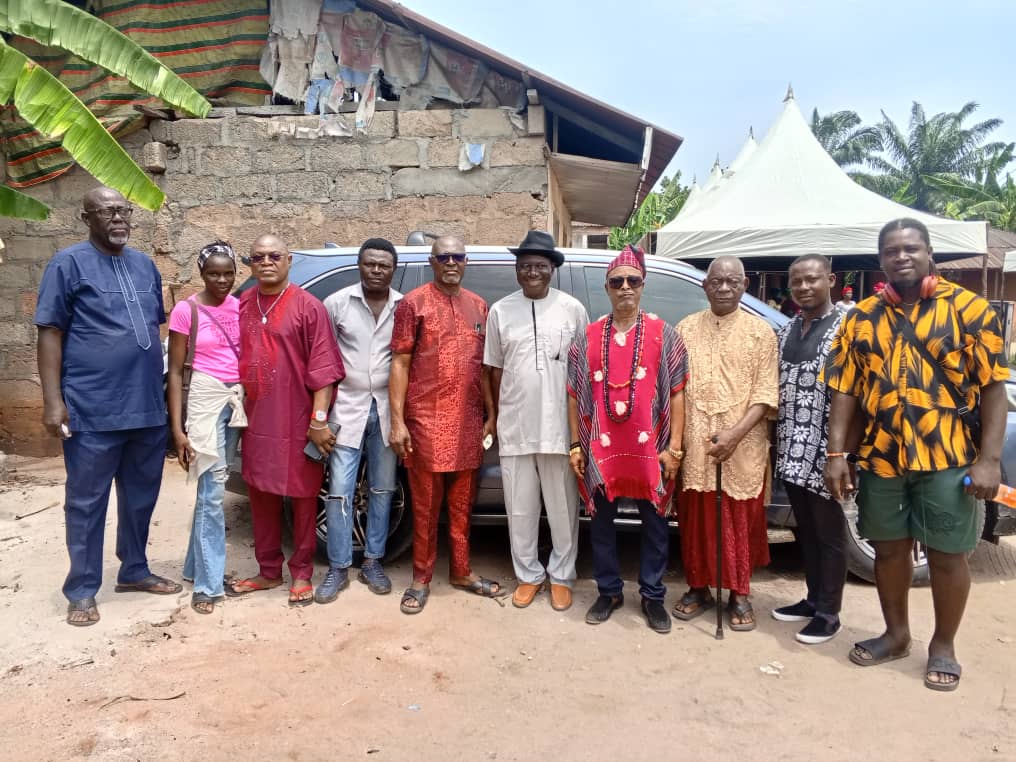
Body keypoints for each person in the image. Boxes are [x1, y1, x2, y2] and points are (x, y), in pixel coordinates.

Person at [824, 218, 1008, 692]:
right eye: (891, 250)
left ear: (930, 253)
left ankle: (943, 645)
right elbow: (844, 388)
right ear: (881, 259)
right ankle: (896, 635)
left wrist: (988, 459)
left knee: (948, 555)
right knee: (888, 552)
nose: (900, 256)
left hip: (947, 456)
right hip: (882, 457)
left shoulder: (970, 310)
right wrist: (837, 453)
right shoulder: (861, 317)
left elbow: (992, 388)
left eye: (910, 248)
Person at [35, 186, 181, 627]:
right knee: (86, 502)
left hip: (145, 407)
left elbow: (152, 330)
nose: (118, 219)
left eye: (123, 211)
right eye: (106, 212)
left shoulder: (143, 265)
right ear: (87, 219)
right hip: (92, 408)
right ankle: (81, 588)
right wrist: (52, 401)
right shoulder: (68, 264)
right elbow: (50, 332)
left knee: (140, 498)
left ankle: (133, 570)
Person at [566, 245, 687, 633]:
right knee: (601, 523)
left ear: (642, 285)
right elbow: (573, 393)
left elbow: (678, 393)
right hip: (602, 450)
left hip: (651, 450)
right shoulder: (587, 337)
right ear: (607, 288)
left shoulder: (664, 334)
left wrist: (675, 448)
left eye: (632, 281)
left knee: (655, 524)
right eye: (617, 282)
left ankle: (652, 596)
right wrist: (575, 445)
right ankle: (609, 591)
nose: (624, 288)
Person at [228, 234, 345, 606]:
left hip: (298, 420)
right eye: (257, 256)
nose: (266, 262)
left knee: (303, 497)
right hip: (256, 421)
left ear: (289, 260)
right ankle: (267, 571)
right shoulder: (241, 304)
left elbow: (324, 369)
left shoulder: (309, 307)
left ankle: (301, 572)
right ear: (249, 264)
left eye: (274, 255)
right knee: (260, 494)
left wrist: (319, 419)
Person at [390, 235, 503, 614]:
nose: (451, 262)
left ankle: (461, 571)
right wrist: (397, 421)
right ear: (432, 262)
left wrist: (492, 413)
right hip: (425, 421)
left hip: (469, 424)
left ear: (466, 262)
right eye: (444, 257)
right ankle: (421, 578)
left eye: (457, 257)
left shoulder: (478, 306)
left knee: (461, 507)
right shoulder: (413, 303)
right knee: (424, 507)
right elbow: (400, 364)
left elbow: (485, 368)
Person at [483, 230, 589, 611]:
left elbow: (583, 371)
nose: (532, 272)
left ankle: (562, 576)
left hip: (561, 429)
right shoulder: (500, 311)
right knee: (521, 509)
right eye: (525, 266)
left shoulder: (572, 310)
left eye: (540, 266)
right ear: (517, 270)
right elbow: (492, 370)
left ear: (552, 270)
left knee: (562, 510)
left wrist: (582, 431)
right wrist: (494, 418)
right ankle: (528, 575)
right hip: (515, 427)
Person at [673, 255, 778, 631]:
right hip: (697, 440)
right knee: (697, 516)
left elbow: (766, 394)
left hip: (744, 442)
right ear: (705, 285)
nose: (724, 288)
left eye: (732, 282)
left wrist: (735, 435)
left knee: (739, 518)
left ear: (744, 286)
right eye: (717, 281)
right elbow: (674, 390)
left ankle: (740, 593)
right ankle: (698, 587)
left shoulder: (760, 332)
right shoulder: (685, 329)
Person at [315, 238, 403, 603]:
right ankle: (337, 567)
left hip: (386, 408)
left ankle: (372, 560)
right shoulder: (336, 304)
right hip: (346, 407)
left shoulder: (404, 306)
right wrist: (319, 416)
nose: (377, 271)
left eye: (383, 265)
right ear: (359, 265)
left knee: (383, 489)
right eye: (370, 264)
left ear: (393, 269)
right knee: (340, 491)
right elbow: (321, 360)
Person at [167, 241, 246, 616]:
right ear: (201, 273)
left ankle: (193, 567)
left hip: (234, 403)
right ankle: (208, 585)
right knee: (213, 493)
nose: (222, 280)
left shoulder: (239, 305)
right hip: (203, 402)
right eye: (214, 273)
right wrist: (178, 430)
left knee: (213, 484)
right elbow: (176, 372)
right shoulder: (187, 311)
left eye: (228, 273)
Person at [771, 254, 847, 644]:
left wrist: (841, 455)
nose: (803, 287)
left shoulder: (845, 327)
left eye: (812, 280)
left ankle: (829, 613)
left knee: (831, 533)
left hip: (826, 451)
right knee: (806, 531)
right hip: (791, 447)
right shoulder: (787, 330)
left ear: (830, 280)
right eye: (797, 281)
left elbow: (854, 393)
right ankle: (812, 598)